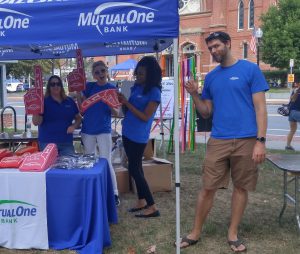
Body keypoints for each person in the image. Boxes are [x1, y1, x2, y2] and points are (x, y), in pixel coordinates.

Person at [177, 31, 268, 252]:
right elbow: (207, 112)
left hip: (247, 140)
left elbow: (261, 108)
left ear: (228, 43)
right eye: (210, 48)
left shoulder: (250, 70)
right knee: (208, 187)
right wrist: (195, 95)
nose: (213, 51)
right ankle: (195, 232)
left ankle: (233, 233)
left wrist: (261, 141)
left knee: (241, 187)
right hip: (219, 139)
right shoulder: (212, 77)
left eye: (217, 46)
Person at [117, 56, 162, 218]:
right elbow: (129, 110)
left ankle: (152, 206)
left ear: (151, 74)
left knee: (135, 169)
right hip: (127, 131)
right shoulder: (136, 87)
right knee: (136, 168)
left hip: (138, 136)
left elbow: (145, 116)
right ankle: (141, 200)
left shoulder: (154, 92)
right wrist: (122, 102)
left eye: (141, 74)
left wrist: (128, 104)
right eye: (137, 73)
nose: (138, 76)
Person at [76, 60, 120, 206]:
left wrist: (109, 103)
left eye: (102, 71)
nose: (100, 74)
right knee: (90, 161)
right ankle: (93, 191)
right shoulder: (89, 87)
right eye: (97, 72)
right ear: (94, 76)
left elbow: (118, 113)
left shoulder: (112, 89)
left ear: (107, 71)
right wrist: (77, 92)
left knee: (106, 161)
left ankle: (114, 193)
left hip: (104, 130)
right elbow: (81, 107)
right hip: (87, 131)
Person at [32, 75, 82, 156]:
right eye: (53, 84)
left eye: (58, 84)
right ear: (49, 87)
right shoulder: (43, 102)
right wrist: (35, 109)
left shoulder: (69, 101)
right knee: (50, 168)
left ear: (61, 86)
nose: (56, 86)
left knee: (68, 166)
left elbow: (79, 118)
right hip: (47, 143)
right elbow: (36, 122)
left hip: (66, 142)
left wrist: (74, 126)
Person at [286, 82, 300, 151]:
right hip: (298, 112)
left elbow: (292, 99)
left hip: (291, 112)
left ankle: (288, 146)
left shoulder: (295, 90)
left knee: (292, 130)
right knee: (292, 130)